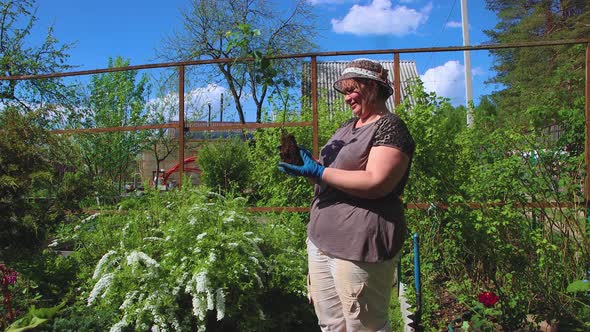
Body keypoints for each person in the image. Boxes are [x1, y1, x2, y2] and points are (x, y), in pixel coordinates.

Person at [278, 58, 415, 332]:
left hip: (358, 246)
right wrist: (308, 167)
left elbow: (376, 182)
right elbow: (334, 175)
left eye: (352, 90)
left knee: (365, 327)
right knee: (331, 325)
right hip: (321, 241)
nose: (347, 99)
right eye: (345, 92)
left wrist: (318, 172)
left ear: (372, 88)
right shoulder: (346, 126)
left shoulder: (390, 127)